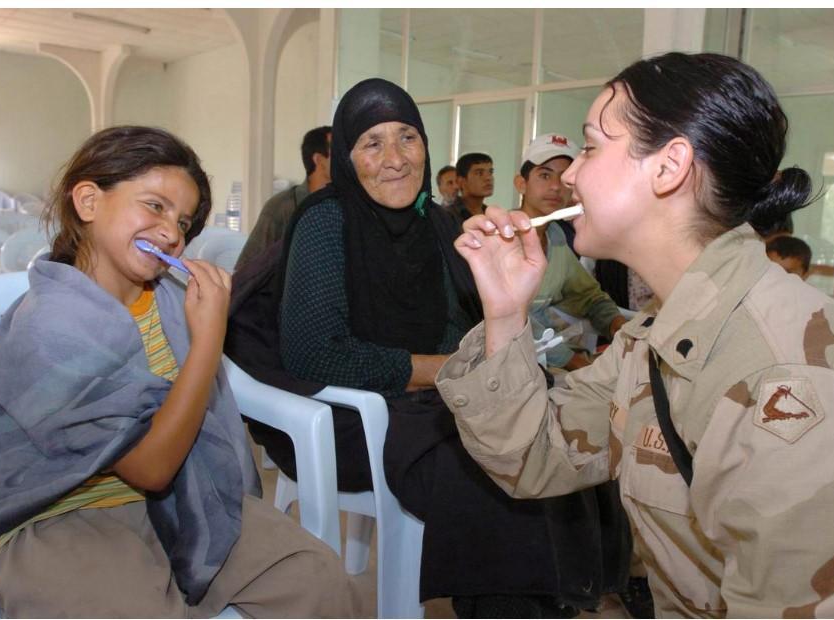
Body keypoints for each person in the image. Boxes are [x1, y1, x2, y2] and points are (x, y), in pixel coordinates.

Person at [438, 52, 834, 618]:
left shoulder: (782, 378)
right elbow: (535, 456)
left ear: (668, 166)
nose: (571, 175)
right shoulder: (654, 337)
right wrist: (506, 313)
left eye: (590, 147)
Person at [267, 77, 630, 618]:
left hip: (432, 402)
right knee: (492, 468)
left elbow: (460, 328)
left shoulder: (437, 223)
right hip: (349, 414)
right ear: (346, 156)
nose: (394, 159)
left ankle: (557, 590)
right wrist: (441, 372)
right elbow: (313, 353)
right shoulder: (325, 223)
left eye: (407, 137)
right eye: (372, 143)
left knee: (545, 432)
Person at [0, 125, 357, 618]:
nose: (172, 233)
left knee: (317, 577)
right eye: (155, 206)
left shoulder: (173, 302)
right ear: (89, 202)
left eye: (184, 221)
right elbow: (151, 468)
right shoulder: (47, 326)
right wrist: (208, 343)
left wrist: (204, 333)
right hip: (64, 516)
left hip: (189, 494)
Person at [516, 132, 626, 370]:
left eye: (565, 179)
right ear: (521, 183)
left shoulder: (555, 235)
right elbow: (516, 318)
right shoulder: (505, 239)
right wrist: (576, 363)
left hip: (548, 360)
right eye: (544, 175)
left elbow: (588, 296)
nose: (556, 187)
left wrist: (618, 326)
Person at [235, 125, 332, 270]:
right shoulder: (281, 207)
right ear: (319, 160)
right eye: (338, 152)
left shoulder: (346, 206)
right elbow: (247, 269)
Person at [445, 152, 494, 222]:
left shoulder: (490, 214)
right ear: (461, 181)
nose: (488, 178)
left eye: (490, 172)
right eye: (479, 173)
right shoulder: (447, 215)